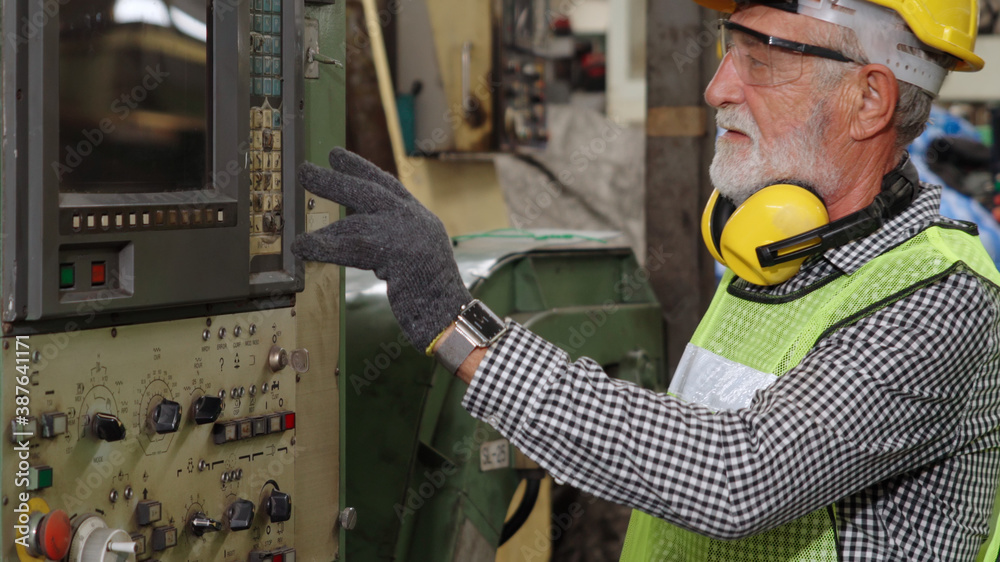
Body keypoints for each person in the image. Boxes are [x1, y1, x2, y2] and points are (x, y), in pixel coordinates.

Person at [293, 0, 1000, 559]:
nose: (717, 85)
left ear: (870, 99)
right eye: (730, 49)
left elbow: (736, 478)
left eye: (761, 60)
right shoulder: (777, 252)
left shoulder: (940, 297)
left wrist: (462, 329)